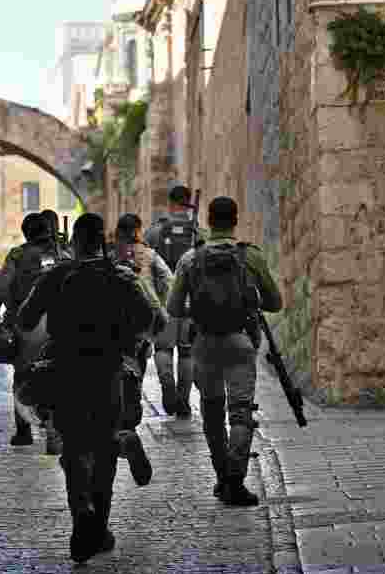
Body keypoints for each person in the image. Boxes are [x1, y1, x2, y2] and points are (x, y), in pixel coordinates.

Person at [16, 213, 163, 564]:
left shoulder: (57, 275)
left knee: (73, 447)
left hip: (66, 372)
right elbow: (152, 320)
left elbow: (25, 318)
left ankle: (82, 510)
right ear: (102, 241)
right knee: (104, 451)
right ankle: (99, 524)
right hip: (108, 372)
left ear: (76, 241)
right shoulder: (122, 276)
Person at [165, 196, 282, 507]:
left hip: (204, 344)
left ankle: (221, 478)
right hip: (241, 342)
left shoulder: (191, 259)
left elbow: (174, 308)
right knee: (241, 413)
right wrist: (247, 300)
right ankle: (235, 480)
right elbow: (275, 302)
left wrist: (201, 307)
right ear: (235, 219)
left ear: (209, 219)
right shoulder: (250, 257)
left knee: (212, 413)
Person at [0, 212, 68, 454]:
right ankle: (56, 431)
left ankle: (23, 431)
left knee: (22, 377)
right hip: (64, 324)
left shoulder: (19, 255)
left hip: (27, 326)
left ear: (26, 234)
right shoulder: (66, 253)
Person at [109, 214, 172, 485]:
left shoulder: (107, 257)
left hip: (111, 329)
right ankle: (129, 422)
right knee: (134, 373)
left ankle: (117, 423)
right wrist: (162, 308)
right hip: (142, 325)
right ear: (137, 230)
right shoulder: (149, 255)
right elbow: (168, 280)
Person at [144, 185, 208, 418]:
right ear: (189, 202)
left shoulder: (155, 231)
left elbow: (145, 264)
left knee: (163, 348)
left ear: (170, 203)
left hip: (164, 302)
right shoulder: (198, 233)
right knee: (187, 352)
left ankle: (167, 389)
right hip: (192, 303)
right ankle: (183, 400)